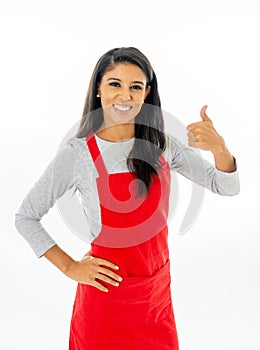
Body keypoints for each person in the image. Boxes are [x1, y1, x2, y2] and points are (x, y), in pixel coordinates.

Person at [14, 47, 240, 350]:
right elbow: (26, 217)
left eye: (136, 86)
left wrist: (220, 149)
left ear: (147, 92)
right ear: (98, 88)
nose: (125, 96)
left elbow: (224, 186)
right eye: (114, 84)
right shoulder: (79, 153)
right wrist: (70, 268)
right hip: (104, 305)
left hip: (156, 300)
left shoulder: (161, 144)